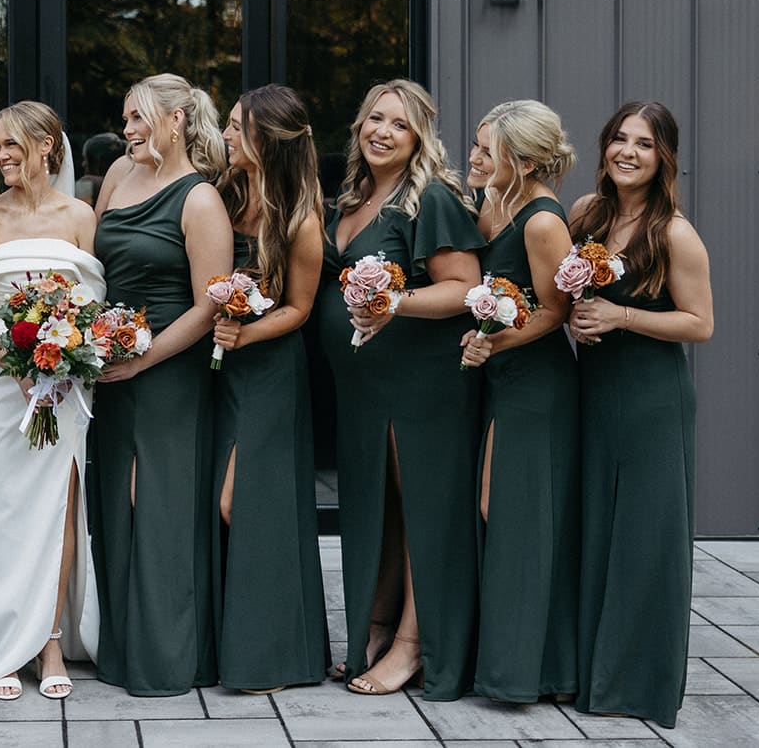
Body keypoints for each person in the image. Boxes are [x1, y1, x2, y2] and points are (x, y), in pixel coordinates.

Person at [314, 78, 484, 699]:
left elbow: (465, 286)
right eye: (375, 119)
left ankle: (415, 646)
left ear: (420, 138)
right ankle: (378, 626)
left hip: (421, 383)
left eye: (400, 124)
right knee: (380, 510)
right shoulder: (351, 198)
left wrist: (395, 303)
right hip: (364, 387)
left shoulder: (430, 198)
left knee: (420, 513)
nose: (383, 132)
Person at [568, 101, 712, 729]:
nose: (628, 152)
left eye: (645, 144)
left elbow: (700, 323)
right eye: (620, 139)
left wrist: (621, 315)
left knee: (647, 539)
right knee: (596, 529)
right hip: (593, 393)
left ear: (664, 158)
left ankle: (639, 684)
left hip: (653, 399)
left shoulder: (674, 233)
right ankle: (590, 673)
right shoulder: (586, 215)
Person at [0, 101, 103, 701]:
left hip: (65, 382)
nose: (1, 156)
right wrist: (16, 366)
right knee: (4, 503)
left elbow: (92, 306)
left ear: (47, 145)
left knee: (61, 505)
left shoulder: (81, 216)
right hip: (0, 381)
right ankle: (2, 640)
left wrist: (62, 359)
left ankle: (49, 640)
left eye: (11, 144)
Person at [90, 73, 232, 696]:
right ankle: (122, 649)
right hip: (109, 364)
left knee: (158, 504)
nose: (127, 129)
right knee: (117, 501)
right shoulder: (119, 175)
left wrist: (142, 360)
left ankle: (167, 658)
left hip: (168, 370)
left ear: (176, 120)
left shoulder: (200, 199)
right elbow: (92, 265)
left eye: (138, 118)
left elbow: (208, 307)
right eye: (125, 118)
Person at [209, 84, 330, 693]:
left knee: (247, 502)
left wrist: (245, 334)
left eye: (237, 126)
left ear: (268, 138)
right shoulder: (225, 194)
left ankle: (275, 655)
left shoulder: (301, 218)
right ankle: (229, 647)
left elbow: (300, 309)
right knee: (219, 501)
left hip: (270, 372)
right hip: (218, 371)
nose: (227, 135)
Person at [459, 100, 580, 702]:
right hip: (497, 379)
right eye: (477, 145)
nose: (476, 157)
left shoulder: (541, 222)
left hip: (536, 385)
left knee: (513, 513)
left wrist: (494, 342)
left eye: (490, 151)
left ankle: (532, 670)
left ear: (526, 162)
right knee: (495, 510)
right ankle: (507, 659)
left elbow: (556, 311)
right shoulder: (488, 202)